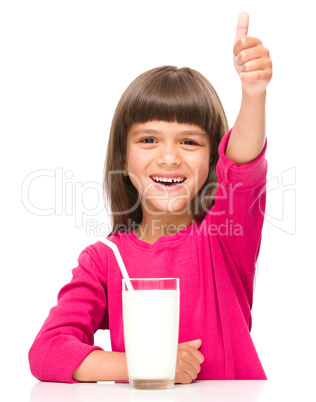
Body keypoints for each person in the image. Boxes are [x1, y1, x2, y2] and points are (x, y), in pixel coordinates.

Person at [28, 12, 272, 384]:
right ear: (124, 159)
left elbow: (242, 165)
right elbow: (47, 352)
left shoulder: (224, 238)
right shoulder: (104, 261)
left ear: (212, 160)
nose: (170, 157)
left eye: (189, 142)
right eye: (148, 140)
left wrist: (253, 94)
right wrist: (146, 363)